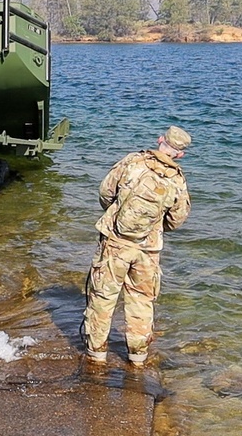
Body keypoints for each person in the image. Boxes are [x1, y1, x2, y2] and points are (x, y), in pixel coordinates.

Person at [82, 126, 192, 366]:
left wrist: (117, 212)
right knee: (141, 301)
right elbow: (176, 219)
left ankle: (97, 354)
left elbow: (105, 192)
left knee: (103, 297)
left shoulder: (133, 162)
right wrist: (153, 227)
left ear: (160, 139)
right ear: (180, 154)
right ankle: (137, 357)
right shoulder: (177, 180)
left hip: (115, 243)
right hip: (148, 250)